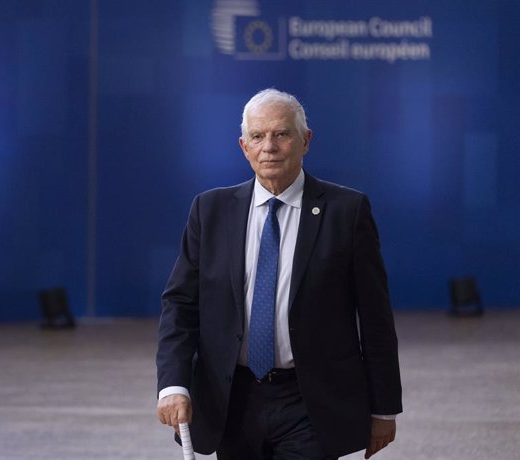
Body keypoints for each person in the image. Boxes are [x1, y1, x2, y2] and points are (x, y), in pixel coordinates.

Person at [156, 88, 402, 459]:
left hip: (310, 401)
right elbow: (180, 304)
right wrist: (173, 384)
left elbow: (375, 318)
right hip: (230, 401)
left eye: (281, 134)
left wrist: (383, 407)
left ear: (305, 141)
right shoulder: (210, 211)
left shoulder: (346, 212)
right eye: (258, 136)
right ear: (244, 146)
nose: (268, 146)